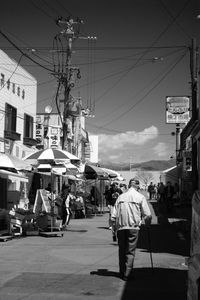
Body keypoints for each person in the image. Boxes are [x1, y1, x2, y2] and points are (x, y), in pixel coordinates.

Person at [111, 178, 152, 281]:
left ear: (129, 185)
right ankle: (127, 274)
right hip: (133, 227)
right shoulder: (140, 197)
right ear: (137, 186)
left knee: (122, 250)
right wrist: (147, 224)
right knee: (130, 251)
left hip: (121, 227)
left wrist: (113, 228)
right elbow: (148, 215)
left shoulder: (121, 197)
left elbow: (113, 216)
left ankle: (122, 272)